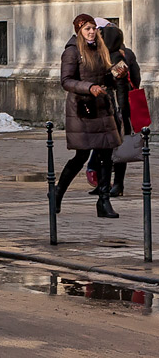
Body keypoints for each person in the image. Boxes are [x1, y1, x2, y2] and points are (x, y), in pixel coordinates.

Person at [54, 14, 123, 218]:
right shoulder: (72, 51)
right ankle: (57, 193)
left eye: (93, 28)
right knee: (82, 155)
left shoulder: (100, 48)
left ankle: (104, 201)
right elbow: (66, 81)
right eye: (87, 29)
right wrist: (89, 87)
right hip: (83, 109)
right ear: (79, 31)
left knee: (106, 155)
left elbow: (104, 76)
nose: (91, 32)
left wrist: (115, 74)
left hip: (102, 107)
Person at [101, 25, 141, 197]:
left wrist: (121, 112)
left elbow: (121, 87)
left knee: (115, 148)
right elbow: (136, 77)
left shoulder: (115, 58)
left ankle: (116, 184)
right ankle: (109, 183)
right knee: (111, 148)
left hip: (115, 109)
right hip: (118, 109)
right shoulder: (124, 53)